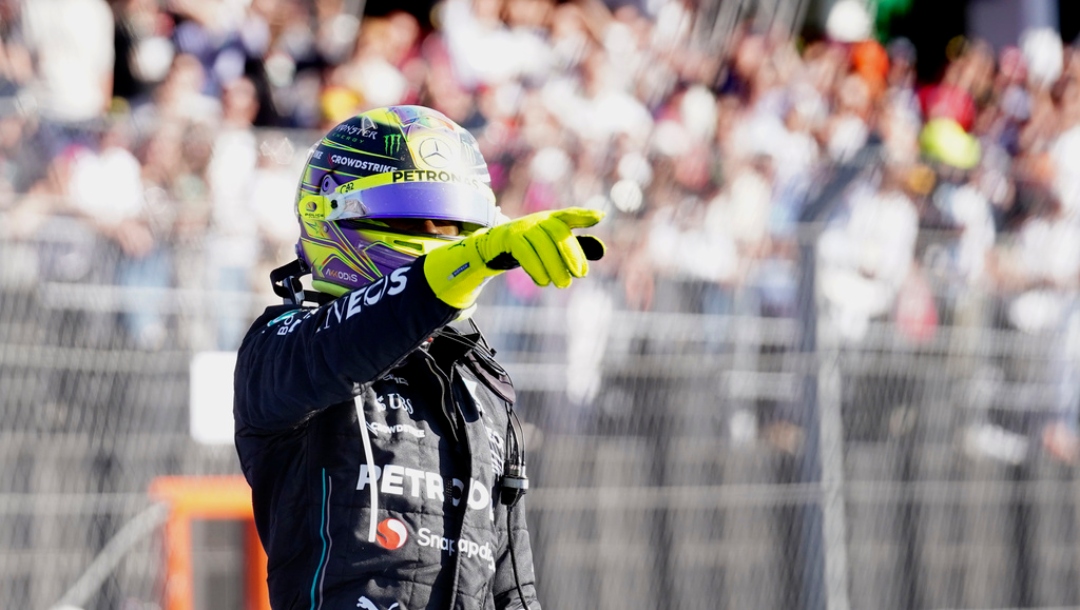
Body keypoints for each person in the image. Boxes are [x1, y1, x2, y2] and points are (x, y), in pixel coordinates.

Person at [233, 105, 604, 610]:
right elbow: (342, 347)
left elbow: (513, 585)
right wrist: (471, 257)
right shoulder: (280, 343)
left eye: (457, 224)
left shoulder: (484, 379)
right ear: (330, 211)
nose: (437, 233)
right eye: (411, 214)